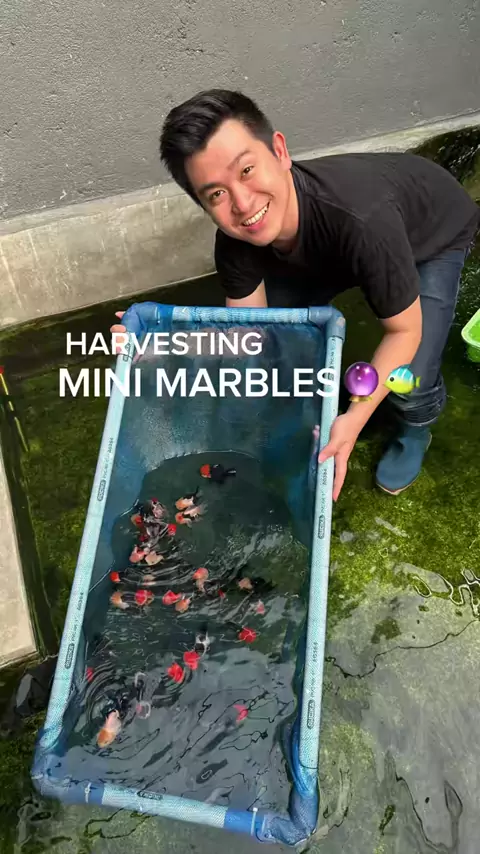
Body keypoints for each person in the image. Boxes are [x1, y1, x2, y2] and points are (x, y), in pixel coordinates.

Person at [111, 89, 479, 501]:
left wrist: (354, 419)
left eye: (246, 170)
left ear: (280, 151)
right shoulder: (236, 242)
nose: (242, 203)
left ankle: (415, 429)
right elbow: (248, 336)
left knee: (411, 374)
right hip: (347, 245)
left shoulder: (363, 220)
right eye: (216, 194)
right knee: (282, 336)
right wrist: (162, 346)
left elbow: (404, 332)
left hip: (432, 233)